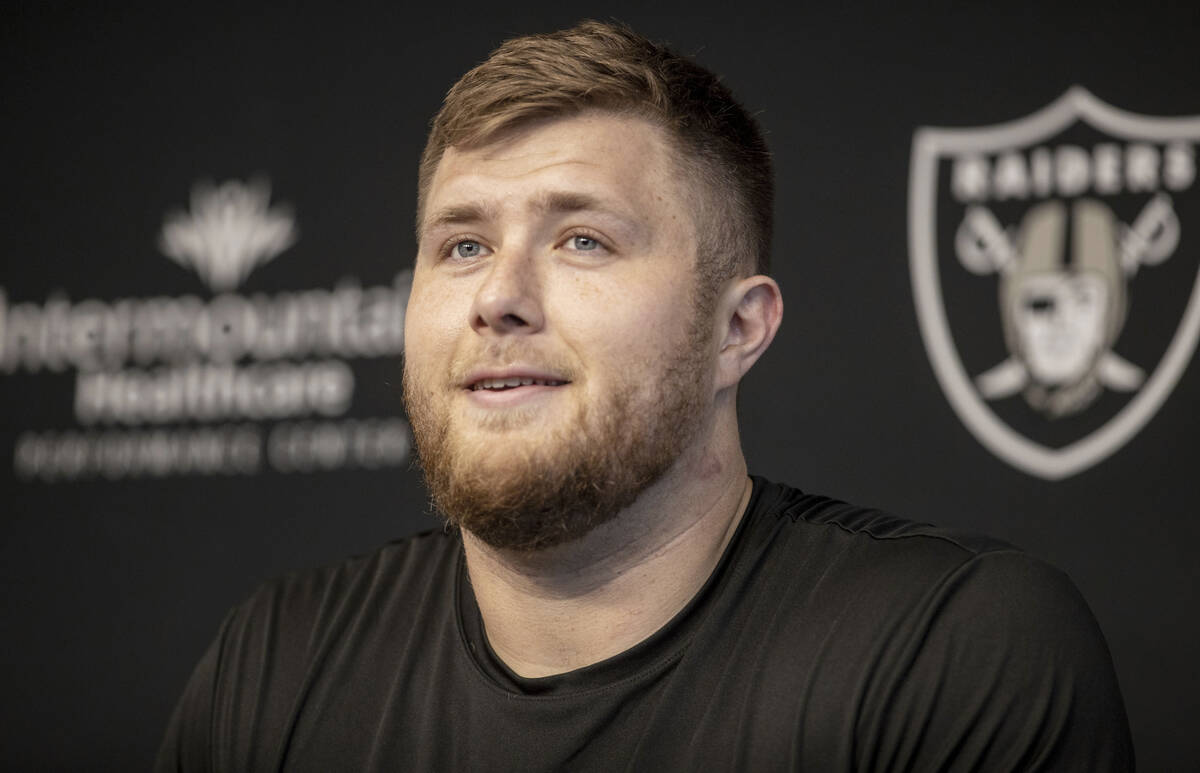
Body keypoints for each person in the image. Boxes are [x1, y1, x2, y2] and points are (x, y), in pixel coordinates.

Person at [156, 20, 1134, 771]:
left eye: (583, 239)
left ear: (736, 329)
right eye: (462, 244)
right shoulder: (279, 660)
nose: (498, 295)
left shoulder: (949, 649)